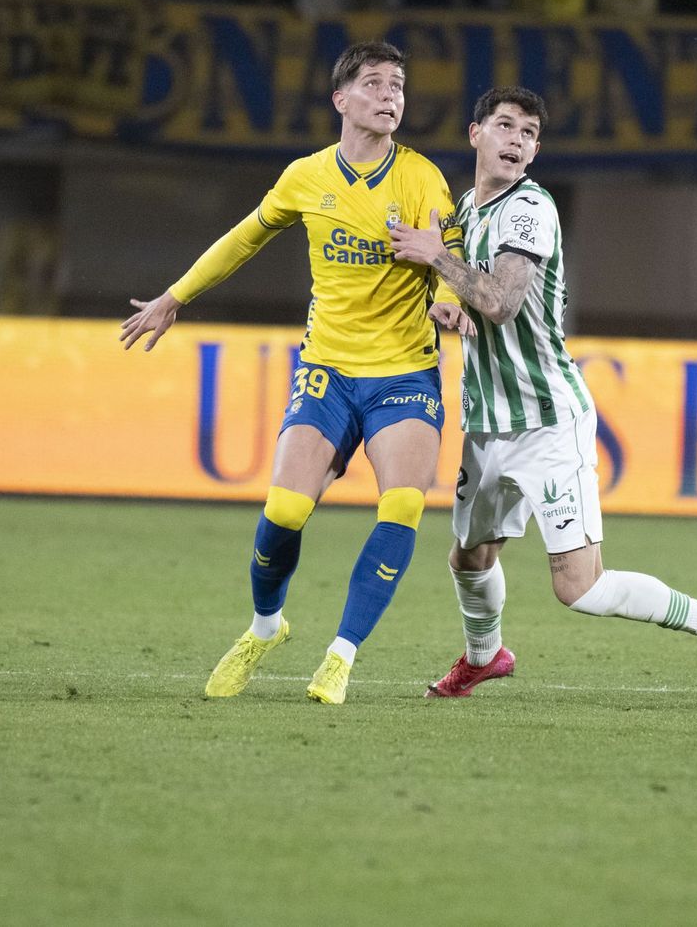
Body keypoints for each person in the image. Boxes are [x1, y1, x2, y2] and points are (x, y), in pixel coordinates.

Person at [389, 87, 697, 708]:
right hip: (488, 421)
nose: (516, 140)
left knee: (580, 587)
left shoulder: (530, 209)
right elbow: (476, 295)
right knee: (469, 557)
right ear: (475, 133)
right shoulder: (466, 209)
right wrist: (450, 304)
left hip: (545, 421)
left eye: (529, 133)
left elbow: (505, 301)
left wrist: (437, 259)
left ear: (536, 150)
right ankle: (486, 657)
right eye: (505, 126)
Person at [120, 41, 474, 705]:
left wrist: (450, 304)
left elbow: (447, 248)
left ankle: (340, 655)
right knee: (283, 511)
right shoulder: (305, 177)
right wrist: (174, 297)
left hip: (404, 371)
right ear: (341, 100)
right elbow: (245, 237)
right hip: (329, 370)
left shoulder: (422, 177)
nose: (390, 95)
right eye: (374, 84)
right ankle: (266, 626)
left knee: (402, 504)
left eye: (398, 85)